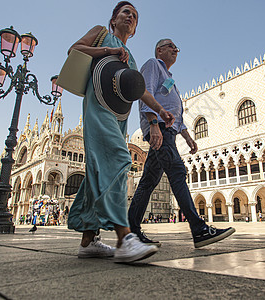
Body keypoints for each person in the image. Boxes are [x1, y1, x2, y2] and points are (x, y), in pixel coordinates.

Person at [67, 2, 175, 263]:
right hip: (98, 109)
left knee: (97, 172)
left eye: (135, 16)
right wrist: (108, 50)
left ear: (135, 29)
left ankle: (88, 241)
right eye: (125, 12)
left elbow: (141, 91)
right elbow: (74, 50)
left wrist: (161, 110)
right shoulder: (101, 34)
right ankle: (125, 238)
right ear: (113, 20)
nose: (130, 17)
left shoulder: (132, 57)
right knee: (118, 158)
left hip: (120, 117)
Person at [127, 38, 235, 248]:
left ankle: (131, 232)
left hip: (169, 131)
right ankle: (199, 229)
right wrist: (153, 124)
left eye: (176, 47)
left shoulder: (170, 79)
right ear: (159, 50)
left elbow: (176, 112)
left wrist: (186, 135)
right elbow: (143, 92)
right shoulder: (153, 64)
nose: (176, 49)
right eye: (170, 46)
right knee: (177, 171)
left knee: (148, 181)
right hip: (159, 129)